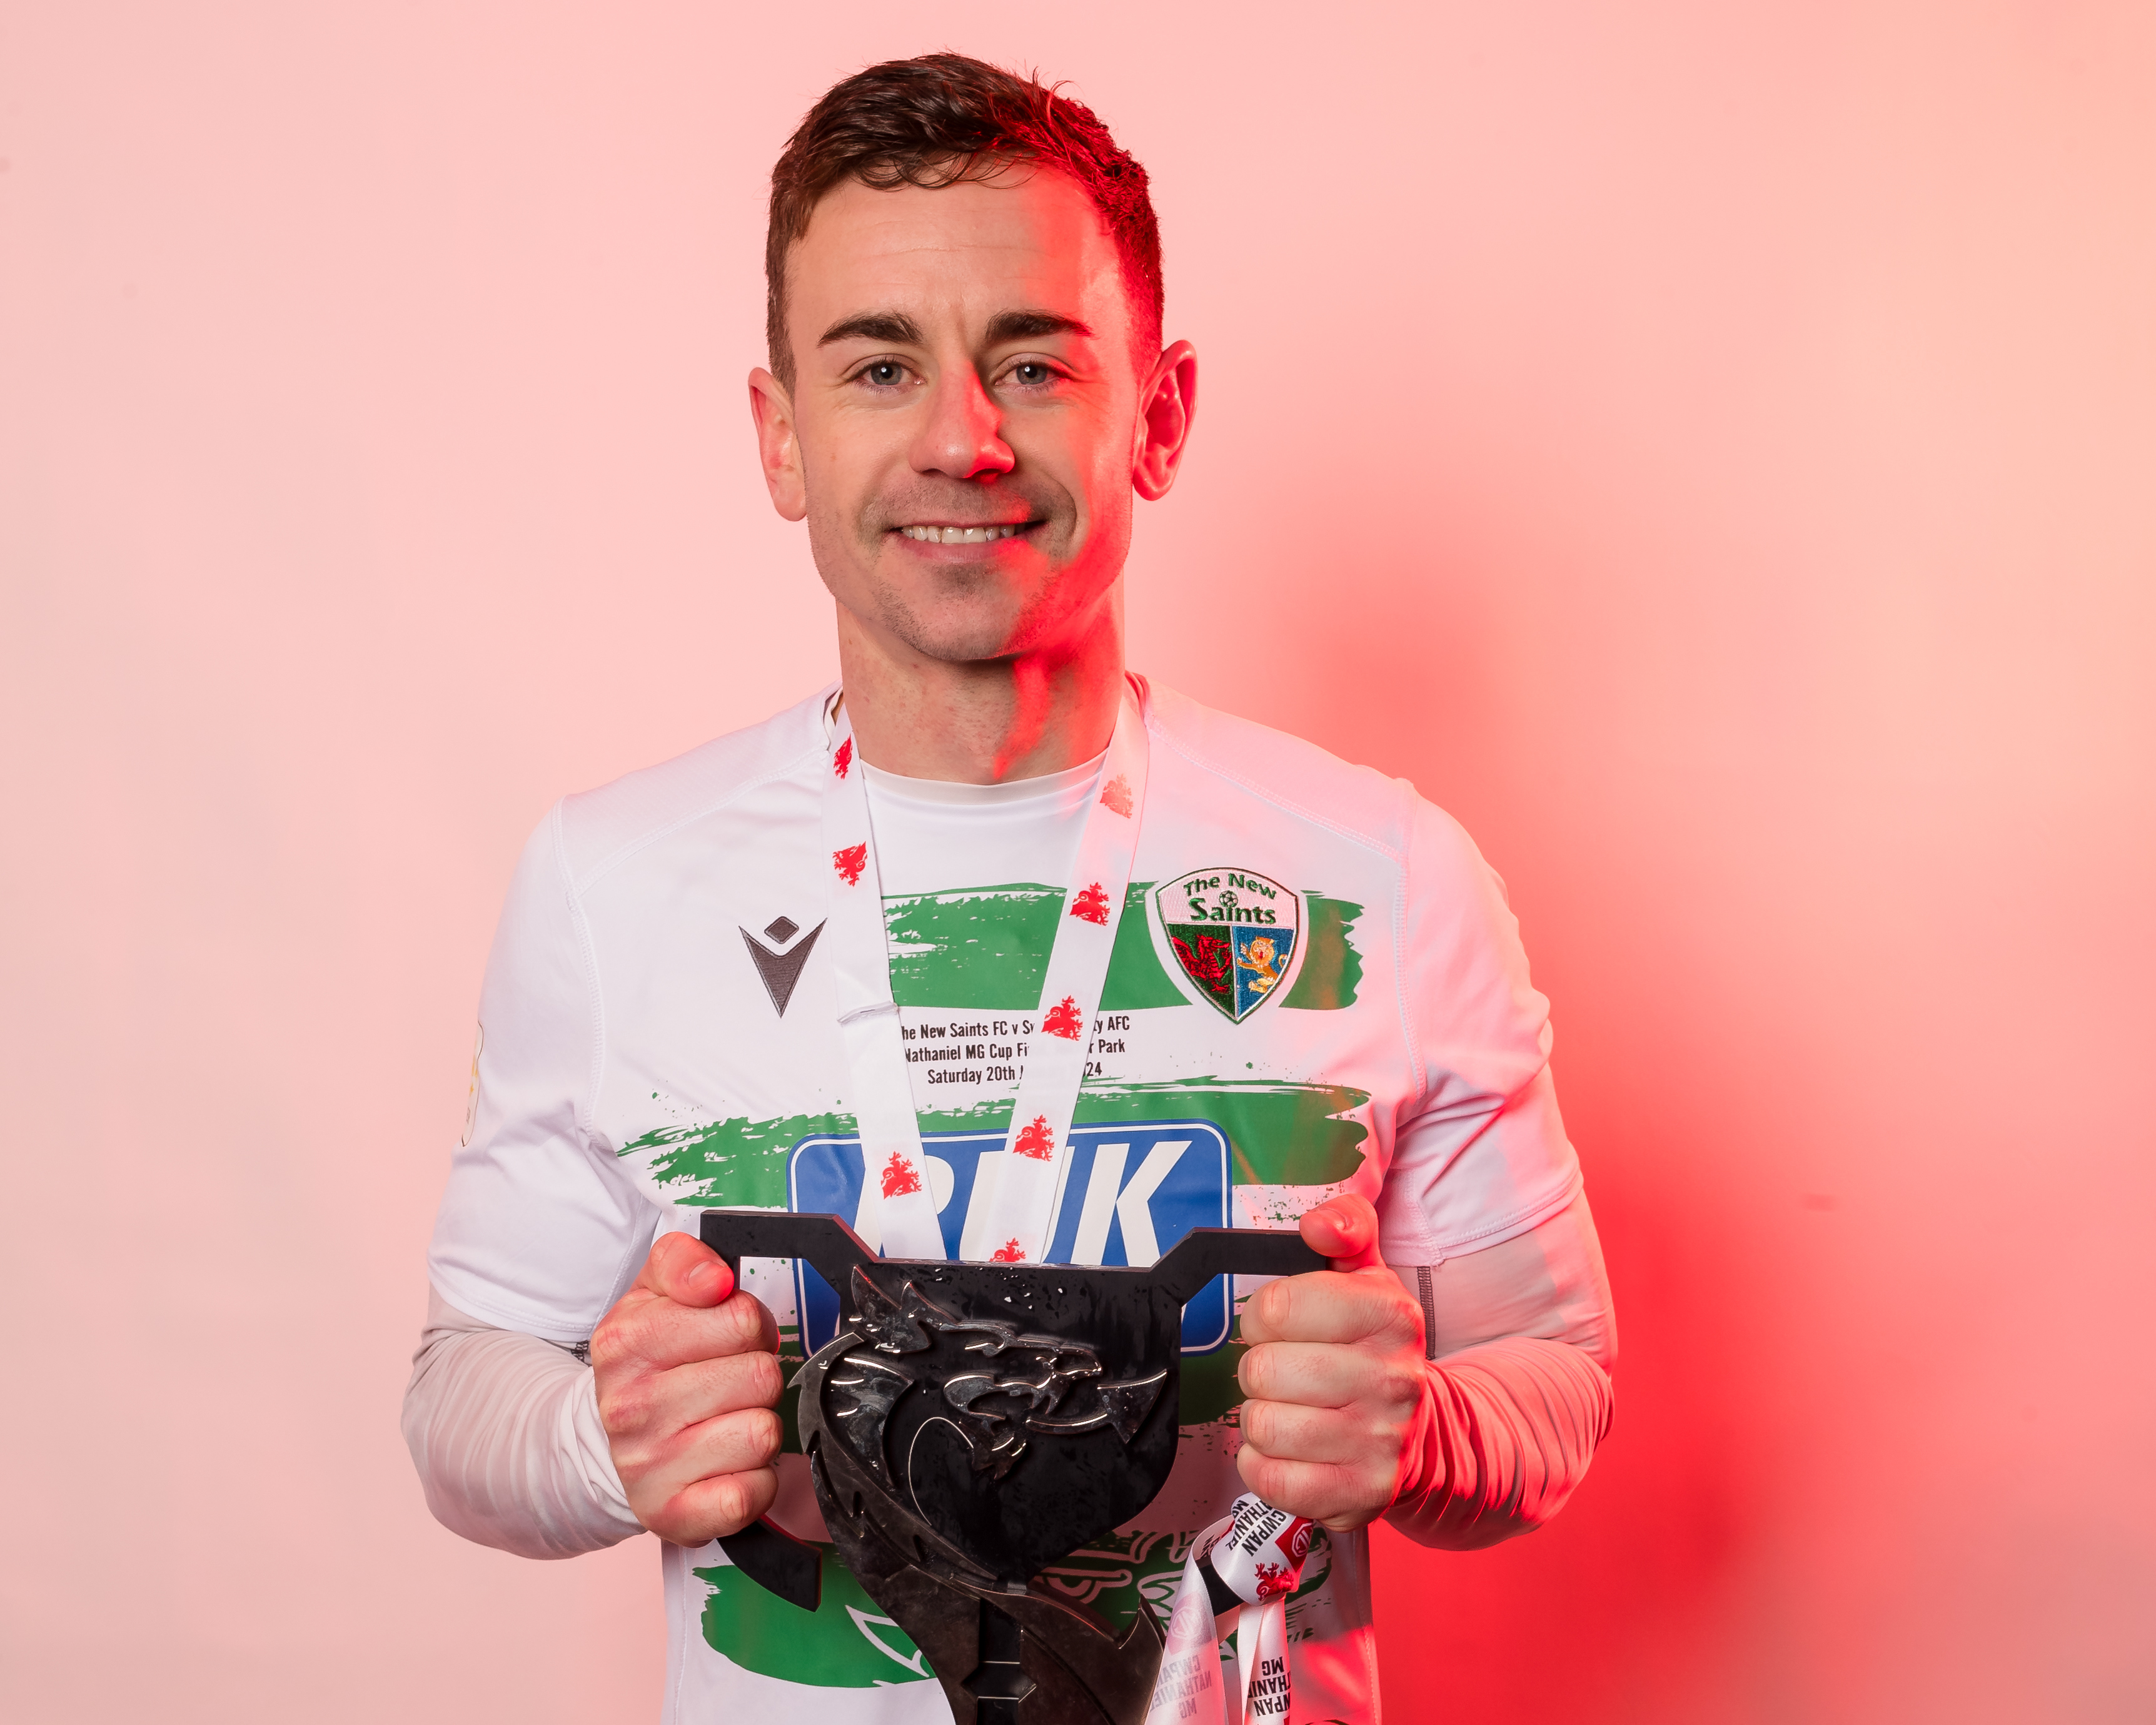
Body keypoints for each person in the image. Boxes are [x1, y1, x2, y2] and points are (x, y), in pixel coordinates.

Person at [405, 52, 1617, 1724]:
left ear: (1162, 412)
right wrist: (598, 1441)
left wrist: (1428, 1430)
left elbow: (1561, 1380)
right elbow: (463, 1394)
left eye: (1032, 361)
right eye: (880, 364)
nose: (961, 440)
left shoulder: (1383, 869)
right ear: (781, 436)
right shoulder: (611, 883)